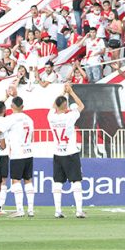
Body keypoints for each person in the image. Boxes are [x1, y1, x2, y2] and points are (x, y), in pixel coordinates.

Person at [47, 83, 86, 218]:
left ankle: (58, 210)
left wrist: (62, 93)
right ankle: (79, 210)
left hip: (58, 152)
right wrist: (71, 92)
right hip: (70, 152)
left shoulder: (51, 117)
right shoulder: (70, 116)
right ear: (66, 105)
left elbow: (54, 106)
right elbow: (81, 106)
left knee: (58, 182)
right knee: (76, 181)